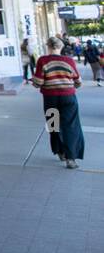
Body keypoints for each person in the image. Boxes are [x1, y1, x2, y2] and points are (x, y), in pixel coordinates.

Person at [32, 37, 85, 169]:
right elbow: (78, 81)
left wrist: (35, 82)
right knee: (71, 126)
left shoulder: (43, 60)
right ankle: (71, 158)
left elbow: (38, 83)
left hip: (50, 98)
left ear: (48, 47)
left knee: (54, 125)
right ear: (60, 47)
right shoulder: (69, 61)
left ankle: (60, 151)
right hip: (68, 98)